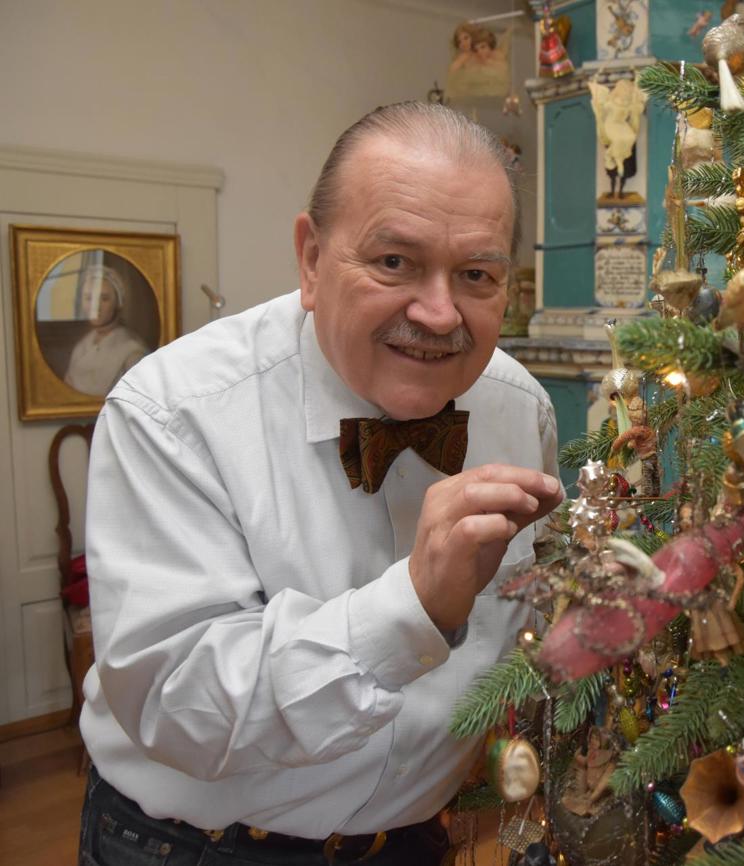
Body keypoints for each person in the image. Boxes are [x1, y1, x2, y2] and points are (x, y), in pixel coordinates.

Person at [78, 101, 564, 866]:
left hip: (415, 844)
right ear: (310, 259)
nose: (439, 314)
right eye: (394, 262)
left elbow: (522, 635)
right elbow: (178, 707)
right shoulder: (172, 412)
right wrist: (413, 609)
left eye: (475, 274)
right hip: (198, 849)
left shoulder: (520, 408)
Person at [62, 264, 150, 397]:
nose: (95, 306)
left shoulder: (132, 351)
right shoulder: (81, 346)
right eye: (89, 298)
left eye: (104, 299)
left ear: (117, 303)